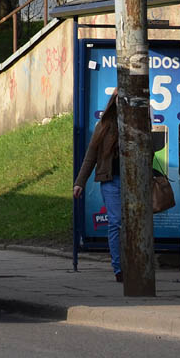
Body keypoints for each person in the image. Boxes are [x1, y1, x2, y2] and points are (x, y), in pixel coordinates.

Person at [74, 91, 122, 282]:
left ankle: (134, 264)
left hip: (134, 182)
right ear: (114, 102)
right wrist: (79, 182)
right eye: (120, 98)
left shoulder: (140, 124)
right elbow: (91, 155)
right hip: (111, 181)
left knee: (133, 225)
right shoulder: (104, 126)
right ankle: (119, 268)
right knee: (116, 222)